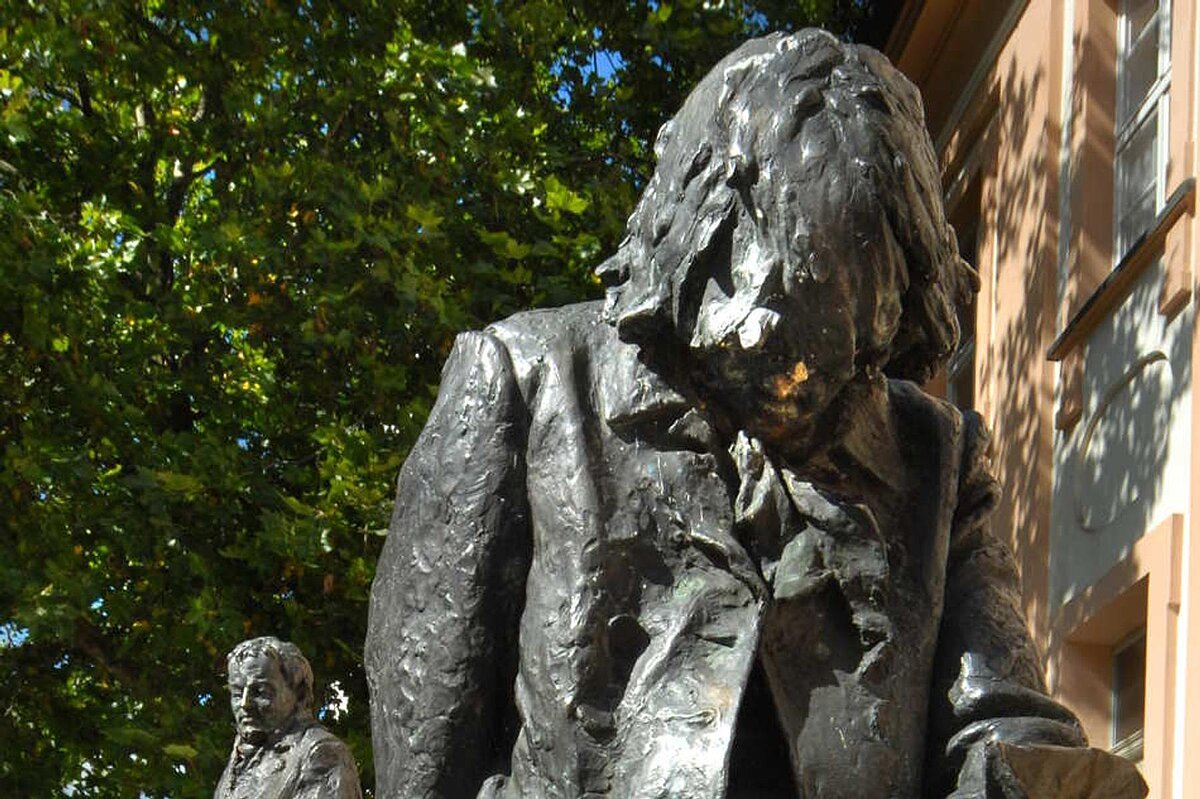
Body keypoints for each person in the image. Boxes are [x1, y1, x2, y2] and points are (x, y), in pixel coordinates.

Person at [365, 29, 1145, 798]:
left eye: (845, 356)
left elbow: (996, 719)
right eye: (772, 333)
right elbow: (427, 756)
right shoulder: (528, 381)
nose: (797, 383)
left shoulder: (936, 458)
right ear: (697, 242)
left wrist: (1031, 782)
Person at [215, 636, 362, 799]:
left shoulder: (321, 753)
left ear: (299, 694)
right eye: (237, 693)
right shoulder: (241, 754)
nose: (245, 704)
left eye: (261, 692)